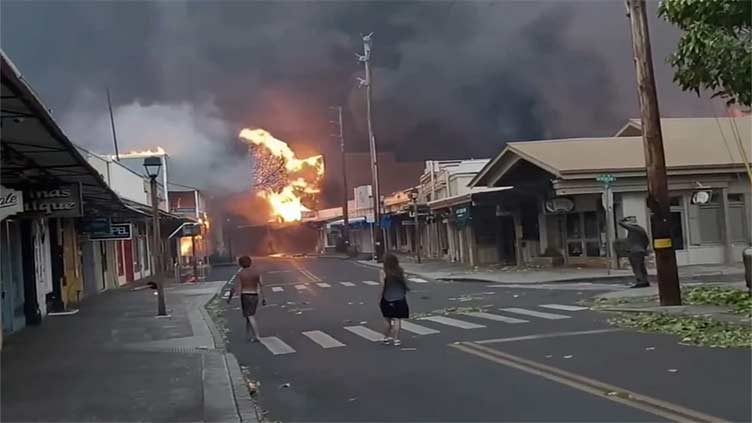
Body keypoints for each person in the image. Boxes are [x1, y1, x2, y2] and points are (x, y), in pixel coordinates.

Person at [227, 255, 266, 342]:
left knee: (249, 315)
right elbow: (261, 285)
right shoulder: (256, 272)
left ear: (240, 264)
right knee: (248, 315)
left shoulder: (240, 274)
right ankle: (248, 334)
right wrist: (264, 298)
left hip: (245, 295)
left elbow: (233, 287)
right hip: (255, 295)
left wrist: (229, 298)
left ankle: (257, 336)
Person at [379, 253, 410, 346]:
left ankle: (386, 338)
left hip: (387, 298)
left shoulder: (383, 271)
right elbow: (403, 283)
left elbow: (382, 286)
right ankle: (396, 339)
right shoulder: (400, 271)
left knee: (387, 319)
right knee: (397, 319)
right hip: (400, 298)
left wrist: (380, 298)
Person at [618, 216, 650, 288]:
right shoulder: (641, 229)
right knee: (642, 266)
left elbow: (620, 223)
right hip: (641, 250)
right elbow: (646, 241)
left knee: (636, 267)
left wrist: (624, 219)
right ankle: (645, 280)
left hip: (634, 251)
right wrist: (643, 248)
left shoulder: (632, 229)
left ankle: (640, 281)